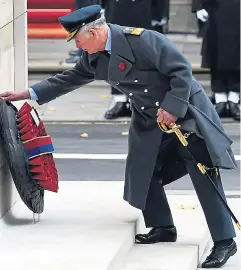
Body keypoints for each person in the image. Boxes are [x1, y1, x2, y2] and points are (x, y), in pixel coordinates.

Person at [0, 5, 237, 268]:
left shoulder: (143, 40)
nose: (78, 46)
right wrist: (28, 94)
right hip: (150, 121)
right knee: (141, 169)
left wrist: (172, 107)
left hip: (184, 113)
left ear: (94, 32)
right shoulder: (94, 57)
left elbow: (181, 71)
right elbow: (68, 79)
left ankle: (225, 241)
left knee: (204, 173)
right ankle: (162, 226)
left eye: (78, 39)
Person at [101, 0, 153, 120]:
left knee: (141, 55)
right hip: (116, 8)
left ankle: (139, 100)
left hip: (142, 9)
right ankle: (120, 100)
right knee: (115, 54)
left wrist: (160, 12)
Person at [192, 0, 240, 121]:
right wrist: (198, 6)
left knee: (236, 55)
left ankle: (234, 99)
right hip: (214, 11)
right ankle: (220, 99)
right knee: (216, 53)